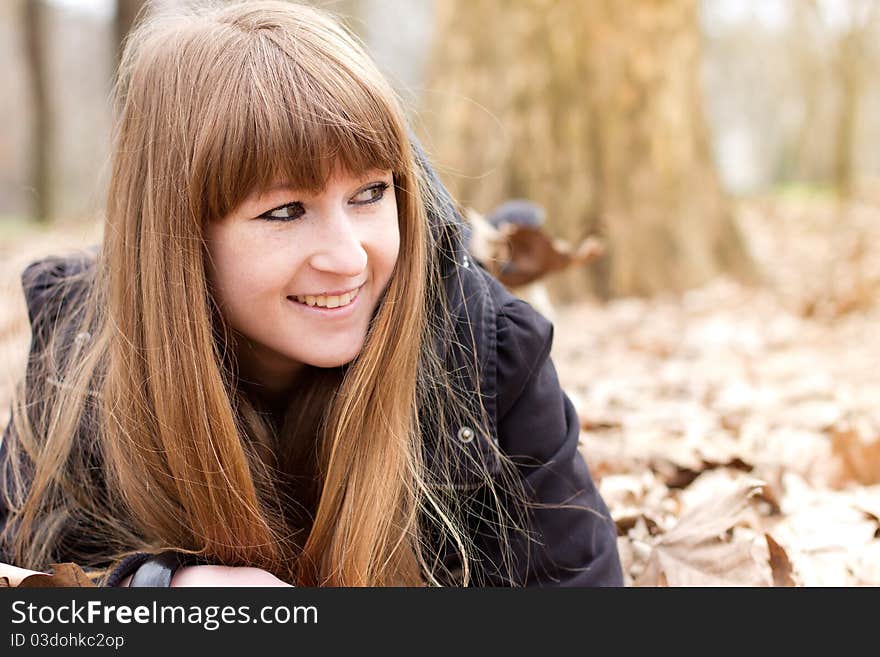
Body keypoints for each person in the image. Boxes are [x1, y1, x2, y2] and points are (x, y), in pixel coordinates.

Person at [0, 0, 622, 587]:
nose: (349, 256)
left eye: (371, 194)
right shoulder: (78, 360)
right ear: (178, 237)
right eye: (286, 210)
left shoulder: (486, 349)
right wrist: (160, 590)